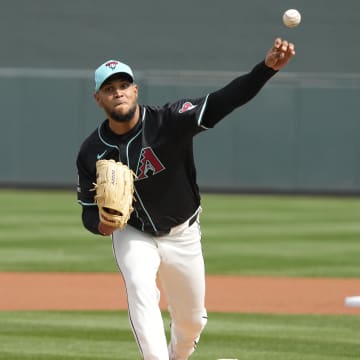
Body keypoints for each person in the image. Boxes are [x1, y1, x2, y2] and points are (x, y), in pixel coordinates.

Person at [76, 37, 295, 360]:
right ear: (99, 99)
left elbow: (224, 100)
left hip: (183, 232)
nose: (118, 92)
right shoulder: (91, 151)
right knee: (140, 287)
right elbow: (86, 212)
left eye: (124, 85)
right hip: (133, 233)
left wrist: (265, 70)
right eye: (109, 89)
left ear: (135, 90)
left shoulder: (170, 120)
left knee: (191, 323)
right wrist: (102, 225)